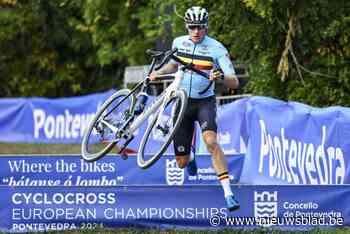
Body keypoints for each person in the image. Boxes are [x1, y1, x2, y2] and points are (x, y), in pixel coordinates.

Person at [149, 6, 240, 211]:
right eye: (192, 27)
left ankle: (228, 193)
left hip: (204, 102)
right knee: (181, 163)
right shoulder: (178, 42)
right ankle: (190, 156)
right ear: (186, 26)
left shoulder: (217, 48)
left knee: (211, 142)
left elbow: (234, 82)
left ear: (206, 27)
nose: (196, 31)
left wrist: (221, 77)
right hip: (182, 103)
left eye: (200, 27)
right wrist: (158, 73)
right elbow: (172, 66)